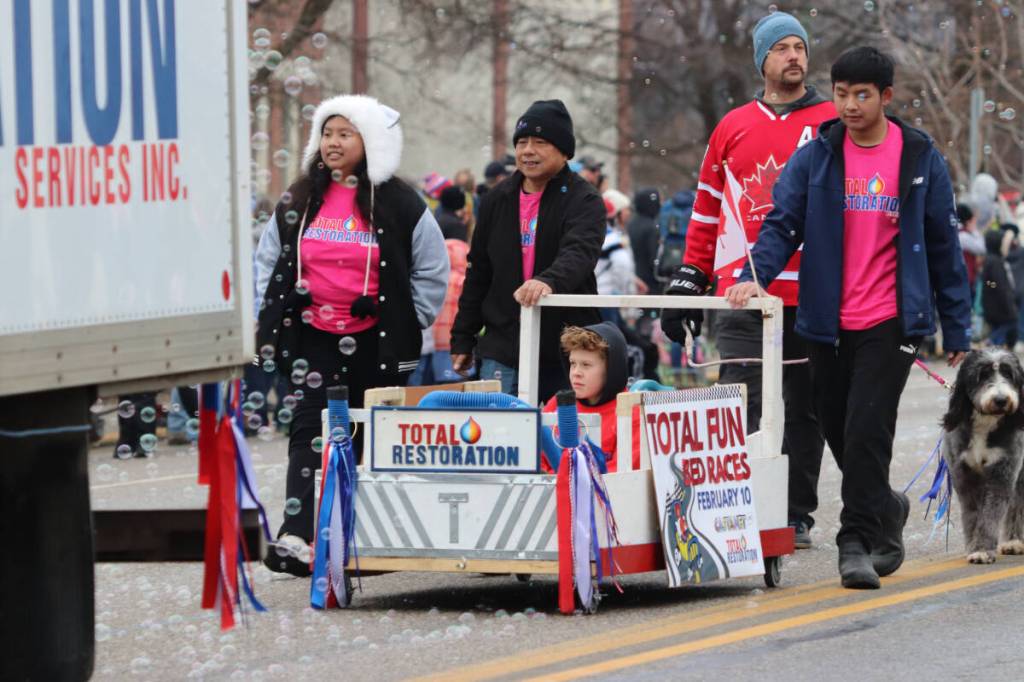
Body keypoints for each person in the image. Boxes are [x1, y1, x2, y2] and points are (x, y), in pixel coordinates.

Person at [724, 47, 971, 589]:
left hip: (891, 320)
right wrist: (754, 275)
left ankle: (855, 542)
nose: (850, 106)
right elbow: (782, 224)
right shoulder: (817, 155)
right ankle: (887, 507)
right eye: (840, 94)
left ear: (886, 96)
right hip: (825, 320)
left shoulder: (918, 155)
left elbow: (942, 245)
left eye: (862, 95)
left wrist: (956, 325)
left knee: (865, 430)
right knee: (838, 429)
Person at [253, 94, 448, 575]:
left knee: (366, 432)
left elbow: (432, 269)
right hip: (314, 336)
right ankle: (296, 534)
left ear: (372, 142)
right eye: (326, 133)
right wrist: (277, 313)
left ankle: (355, 535)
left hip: (377, 340)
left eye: (345, 133)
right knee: (308, 427)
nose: (333, 143)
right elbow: (266, 262)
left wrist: (407, 319)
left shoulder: (401, 203)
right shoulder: (299, 198)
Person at [661, 10, 834, 549]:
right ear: (763, 59)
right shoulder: (732, 126)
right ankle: (736, 503)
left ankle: (794, 513)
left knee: (805, 409)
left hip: (811, 292)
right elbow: (707, 210)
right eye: (781, 48)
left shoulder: (832, 120)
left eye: (799, 47)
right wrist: (690, 278)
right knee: (740, 402)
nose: (794, 57)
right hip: (740, 291)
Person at [451, 100, 606, 402]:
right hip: (503, 343)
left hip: (565, 344)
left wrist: (547, 280)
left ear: (564, 151)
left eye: (540, 142)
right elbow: (479, 270)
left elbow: (580, 252)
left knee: (562, 439)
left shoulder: (583, 199)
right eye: (522, 142)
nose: (528, 151)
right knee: (501, 438)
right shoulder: (498, 198)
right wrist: (463, 336)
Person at [541, 323, 640, 473]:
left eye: (586, 365)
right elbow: (538, 459)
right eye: (573, 364)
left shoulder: (631, 411)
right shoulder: (558, 404)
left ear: (612, 370)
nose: (576, 372)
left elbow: (620, 475)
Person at [981, 227, 1018, 348]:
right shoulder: (995, 261)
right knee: (1009, 323)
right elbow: (996, 284)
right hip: (999, 305)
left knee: (1001, 327)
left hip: (992, 303)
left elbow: (988, 282)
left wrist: (993, 286)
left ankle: (994, 345)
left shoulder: (990, 259)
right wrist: (996, 287)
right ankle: (991, 342)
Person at [628, 187, 662, 295]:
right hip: (648, 282)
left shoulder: (631, 223)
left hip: (632, 277)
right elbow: (654, 259)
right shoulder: (651, 227)